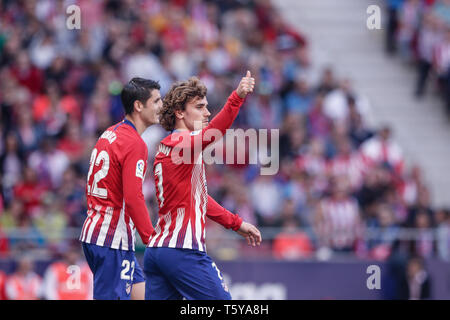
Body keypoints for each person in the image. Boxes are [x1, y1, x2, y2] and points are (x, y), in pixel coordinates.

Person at [144, 71, 262, 300]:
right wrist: (236, 97)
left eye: (206, 106)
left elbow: (199, 198)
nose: (207, 112)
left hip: (158, 251)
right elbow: (213, 134)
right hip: (182, 251)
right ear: (179, 112)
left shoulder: (175, 147)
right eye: (199, 107)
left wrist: (236, 223)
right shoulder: (180, 143)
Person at [79, 77, 161, 300]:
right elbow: (133, 197)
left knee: (141, 295)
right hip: (111, 239)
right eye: (156, 101)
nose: (161, 107)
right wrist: (151, 240)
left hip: (98, 233)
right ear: (138, 106)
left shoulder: (109, 133)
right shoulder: (135, 143)